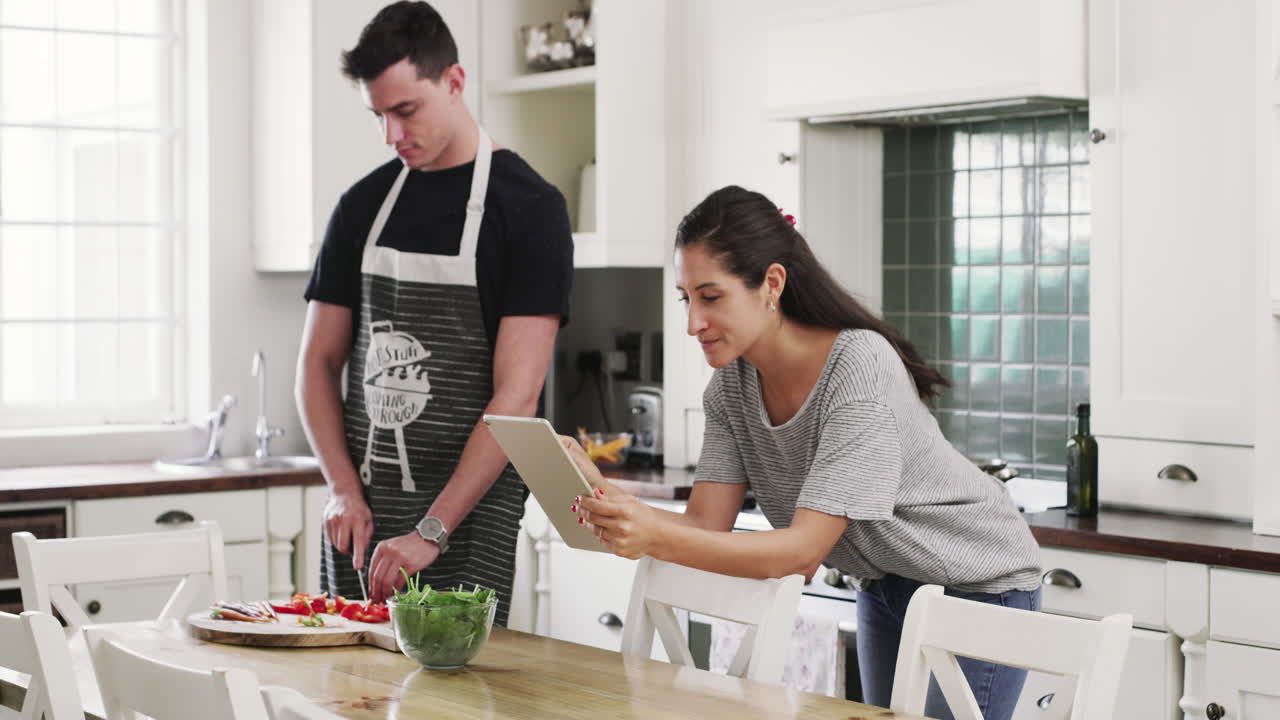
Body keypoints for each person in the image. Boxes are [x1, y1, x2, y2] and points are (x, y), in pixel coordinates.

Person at [569, 186, 1041, 719]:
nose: (692, 322)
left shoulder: (857, 367)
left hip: (978, 583)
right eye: (686, 298)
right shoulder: (731, 389)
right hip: (887, 582)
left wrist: (653, 534)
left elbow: (801, 553)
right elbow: (704, 525)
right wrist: (600, 492)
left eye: (711, 296)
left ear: (771, 284)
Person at [296, 1, 573, 626]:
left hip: (467, 519)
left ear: (454, 82)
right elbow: (317, 362)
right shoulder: (362, 206)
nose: (392, 135)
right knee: (345, 694)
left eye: (406, 110)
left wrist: (432, 528)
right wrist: (341, 488)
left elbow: (517, 394)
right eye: (378, 115)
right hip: (361, 520)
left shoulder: (529, 210)